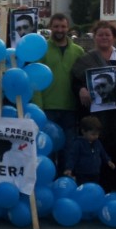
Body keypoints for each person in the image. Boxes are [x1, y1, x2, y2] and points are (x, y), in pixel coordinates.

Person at [35, 13, 85, 168]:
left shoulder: (78, 51)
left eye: (63, 26)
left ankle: (64, 181)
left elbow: (83, 79)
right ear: (50, 27)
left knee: (67, 150)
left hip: (70, 108)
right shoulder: (41, 49)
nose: (59, 29)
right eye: (56, 26)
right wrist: (38, 106)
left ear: (68, 28)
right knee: (46, 149)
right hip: (47, 108)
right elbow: (35, 79)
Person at [63, 116, 115, 185]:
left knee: (94, 187)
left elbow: (103, 153)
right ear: (83, 131)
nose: (96, 136)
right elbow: (72, 157)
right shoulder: (78, 143)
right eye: (93, 134)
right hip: (82, 173)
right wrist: (69, 168)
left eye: (97, 134)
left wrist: (108, 161)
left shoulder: (97, 142)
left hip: (95, 172)